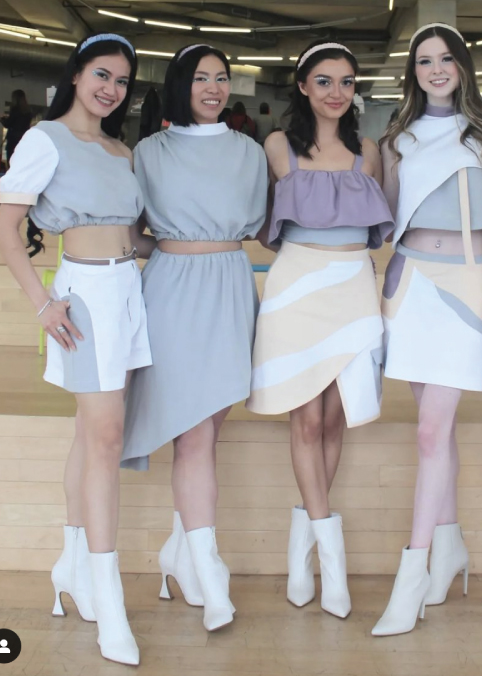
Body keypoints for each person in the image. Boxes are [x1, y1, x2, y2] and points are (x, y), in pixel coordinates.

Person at [0, 33, 155, 666]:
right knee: (105, 439)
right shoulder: (45, 139)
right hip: (83, 297)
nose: (110, 88)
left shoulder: (121, 150)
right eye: (100, 74)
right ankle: (107, 597)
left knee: (89, 436)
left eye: (121, 80)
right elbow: (5, 227)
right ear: (76, 74)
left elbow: (136, 237)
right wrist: (42, 302)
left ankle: (70, 564)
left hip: (128, 292)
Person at [121, 44, 268, 633]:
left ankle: (178, 552)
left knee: (210, 425)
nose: (213, 87)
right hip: (173, 293)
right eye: (202, 77)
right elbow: (132, 235)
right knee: (193, 437)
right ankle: (209, 571)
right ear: (181, 84)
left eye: (222, 78)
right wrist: (179, 256)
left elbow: (259, 224)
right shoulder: (147, 152)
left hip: (232, 287)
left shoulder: (250, 152)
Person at [247, 41, 394, 618]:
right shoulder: (277, 145)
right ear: (303, 86)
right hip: (295, 285)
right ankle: (330, 565)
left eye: (348, 82)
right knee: (305, 418)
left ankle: (303, 546)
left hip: (354, 287)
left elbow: (393, 219)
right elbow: (251, 211)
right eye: (325, 81)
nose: (337, 92)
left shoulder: (369, 150)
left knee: (336, 418)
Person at [372, 23, 482, 636]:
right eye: (424, 60)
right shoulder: (395, 137)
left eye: (445, 58)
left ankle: (414, 572)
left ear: (462, 65)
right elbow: (385, 217)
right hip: (409, 285)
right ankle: (449, 547)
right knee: (438, 432)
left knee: (431, 432)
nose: (435, 69)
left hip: (469, 282)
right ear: (413, 71)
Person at [1, 89, 32, 164]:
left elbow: (8, 124)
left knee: (11, 160)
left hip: (13, 139)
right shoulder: (28, 112)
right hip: (23, 138)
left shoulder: (15, 110)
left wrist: (2, 118)